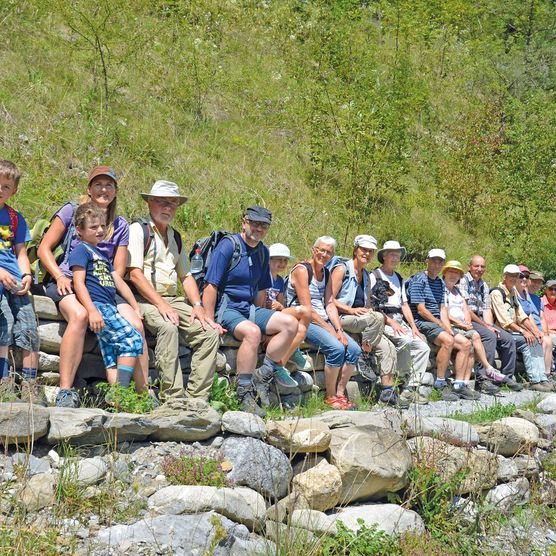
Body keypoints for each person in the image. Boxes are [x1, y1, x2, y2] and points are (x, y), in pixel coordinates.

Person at [38, 166, 148, 408]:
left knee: (136, 324)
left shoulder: (119, 225)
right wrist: (58, 276)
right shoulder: (71, 211)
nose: (103, 189)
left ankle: (142, 394)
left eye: (109, 185)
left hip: (103, 285)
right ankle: (65, 391)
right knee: (79, 315)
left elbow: (118, 270)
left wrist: (119, 299)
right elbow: (43, 248)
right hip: (68, 280)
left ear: (116, 191)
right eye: (98, 184)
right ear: (89, 188)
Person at [128, 180, 222, 404]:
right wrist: (161, 305)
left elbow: (186, 277)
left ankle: (197, 398)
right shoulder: (138, 230)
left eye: (173, 203)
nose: (168, 207)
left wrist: (198, 307)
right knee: (167, 327)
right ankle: (173, 398)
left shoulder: (175, 236)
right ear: (150, 202)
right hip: (143, 298)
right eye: (162, 202)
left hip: (172, 299)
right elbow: (134, 274)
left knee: (209, 332)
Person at [203, 206, 298, 417]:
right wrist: (209, 320)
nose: (258, 229)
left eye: (263, 225)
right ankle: (243, 392)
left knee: (290, 324)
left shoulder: (263, 252)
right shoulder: (228, 246)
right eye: (254, 223)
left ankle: (263, 374)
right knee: (253, 333)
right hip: (226, 308)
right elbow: (211, 285)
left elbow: (261, 290)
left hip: (249, 308)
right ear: (244, 222)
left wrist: (264, 319)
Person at [69, 203, 144, 396]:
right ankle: (121, 394)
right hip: (99, 307)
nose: (100, 230)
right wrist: (92, 310)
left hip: (109, 306)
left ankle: (117, 401)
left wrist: (135, 306)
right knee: (132, 340)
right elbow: (78, 283)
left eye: (102, 225)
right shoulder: (80, 251)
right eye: (93, 227)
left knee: (111, 354)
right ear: (80, 230)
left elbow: (118, 281)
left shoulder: (102, 254)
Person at [330, 236, 407, 408]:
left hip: (362, 320)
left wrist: (370, 312)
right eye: (364, 249)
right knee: (377, 317)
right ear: (355, 249)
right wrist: (351, 310)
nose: (367, 253)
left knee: (388, 348)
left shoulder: (365, 275)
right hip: (342, 317)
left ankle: (388, 393)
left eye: (370, 251)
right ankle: (365, 356)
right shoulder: (342, 270)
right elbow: (329, 300)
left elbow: (368, 305)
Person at [287, 236, 360, 409]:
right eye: (321, 250)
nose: (324, 254)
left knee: (354, 350)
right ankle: (330, 396)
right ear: (313, 250)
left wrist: (339, 329)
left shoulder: (326, 273)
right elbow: (307, 308)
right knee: (336, 348)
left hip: (323, 318)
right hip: (304, 319)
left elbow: (329, 303)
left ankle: (341, 394)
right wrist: (330, 331)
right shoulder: (302, 270)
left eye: (328, 252)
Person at [406, 248, 480, 401]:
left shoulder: (439, 282)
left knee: (466, 344)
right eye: (434, 260)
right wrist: (441, 324)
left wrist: (447, 327)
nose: (437, 264)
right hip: (423, 322)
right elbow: (421, 310)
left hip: (436, 322)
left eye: (440, 261)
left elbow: (442, 308)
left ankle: (459, 385)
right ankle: (440, 382)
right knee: (448, 340)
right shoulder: (419, 280)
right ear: (427, 261)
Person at [0, 160, 42, 404]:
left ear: (14, 191)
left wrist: (26, 275)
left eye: (6, 186)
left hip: (15, 277)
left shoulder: (15, 218)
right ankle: (3, 381)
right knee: (3, 320)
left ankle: (30, 384)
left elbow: (21, 252)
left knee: (28, 325)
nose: (1, 190)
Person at [369, 240, 430, 405]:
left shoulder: (398, 278)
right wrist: (390, 322)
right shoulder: (374, 276)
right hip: (383, 319)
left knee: (423, 347)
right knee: (404, 342)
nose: (395, 258)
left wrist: (414, 327)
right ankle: (400, 381)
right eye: (392, 254)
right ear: (384, 256)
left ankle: (410, 387)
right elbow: (373, 306)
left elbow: (404, 305)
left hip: (399, 320)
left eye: (397, 255)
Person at [442, 260, 509, 393]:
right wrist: (464, 323)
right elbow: (443, 311)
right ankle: (484, 376)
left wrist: (481, 324)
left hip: (467, 323)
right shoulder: (445, 288)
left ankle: (468, 383)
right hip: (454, 324)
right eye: (451, 271)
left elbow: (471, 309)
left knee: (484, 337)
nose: (454, 275)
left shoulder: (465, 289)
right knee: (480, 339)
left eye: (482, 266)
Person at [459, 255, 521, 392]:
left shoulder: (484, 285)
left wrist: (490, 325)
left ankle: (506, 378)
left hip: (481, 319)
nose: (479, 269)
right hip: (467, 318)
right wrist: (486, 327)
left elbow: (486, 309)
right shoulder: (463, 281)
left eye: (482, 267)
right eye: (476, 266)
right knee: (489, 336)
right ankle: (482, 380)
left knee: (508, 339)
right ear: (469, 267)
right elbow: (466, 309)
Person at [490, 264, 551, 391]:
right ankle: (535, 380)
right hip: (502, 331)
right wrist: (524, 331)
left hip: (513, 331)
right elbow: (504, 321)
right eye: (511, 276)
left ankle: (542, 378)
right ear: (504, 276)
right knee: (529, 341)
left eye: (515, 276)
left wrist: (535, 331)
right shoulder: (497, 293)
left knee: (537, 338)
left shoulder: (512, 292)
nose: (513, 278)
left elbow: (521, 315)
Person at [266, 243, 312, 372]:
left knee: (305, 312)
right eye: (278, 260)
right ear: (269, 260)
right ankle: (291, 352)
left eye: (285, 260)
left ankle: (292, 349)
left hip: (276, 313)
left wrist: (279, 305)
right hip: (264, 313)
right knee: (303, 311)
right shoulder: (263, 276)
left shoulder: (280, 280)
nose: (282, 263)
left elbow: (282, 305)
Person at [516, 266, 553, 378]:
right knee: (545, 340)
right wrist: (536, 332)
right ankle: (540, 375)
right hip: (526, 328)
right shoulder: (521, 295)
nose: (536, 284)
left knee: (547, 340)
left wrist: (544, 332)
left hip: (536, 329)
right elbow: (523, 316)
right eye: (534, 281)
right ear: (529, 281)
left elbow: (542, 318)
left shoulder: (537, 299)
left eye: (539, 282)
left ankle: (547, 374)